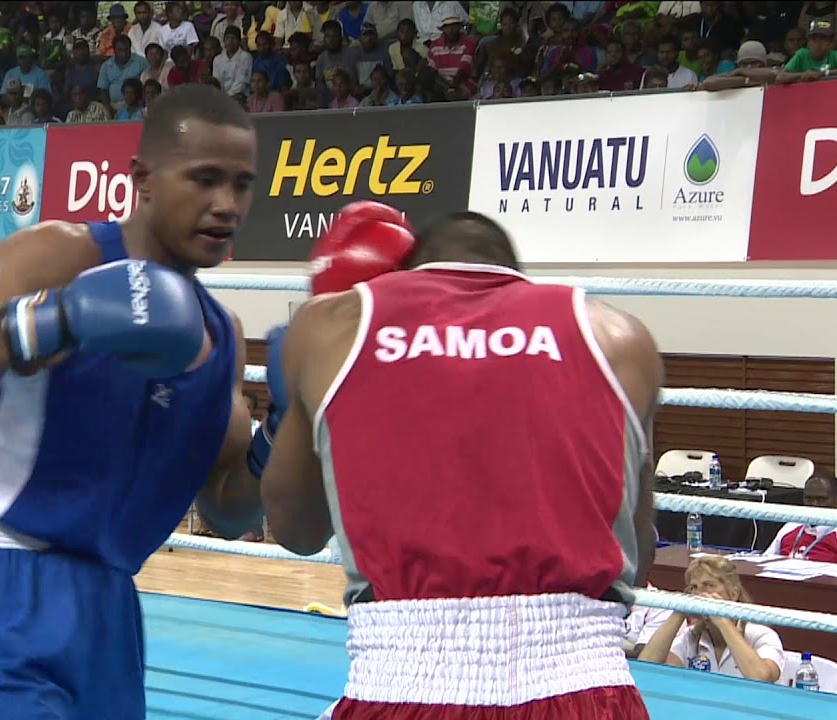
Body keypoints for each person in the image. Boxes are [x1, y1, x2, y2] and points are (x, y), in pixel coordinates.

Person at [0, 84, 273, 720]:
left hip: (110, 610)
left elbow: (227, 509)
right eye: (204, 179)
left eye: (242, 184)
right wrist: (53, 321)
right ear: (142, 178)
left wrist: (280, 440)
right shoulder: (63, 257)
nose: (225, 205)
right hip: (0, 580)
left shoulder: (219, 335)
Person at [259, 210, 662, 719]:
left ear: (409, 273)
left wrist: (293, 407)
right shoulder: (621, 338)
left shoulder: (333, 328)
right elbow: (641, 550)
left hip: (400, 683)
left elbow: (296, 530)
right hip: (586, 682)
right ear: (516, 276)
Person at [639, 556, 784, 683]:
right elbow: (646, 668)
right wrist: (679, 612)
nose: (701, 594)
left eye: (709, 586)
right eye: (694, 587)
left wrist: (722, 621)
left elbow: (760, 676)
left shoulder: (762, 635)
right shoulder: (691, 637)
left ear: (733, 594)